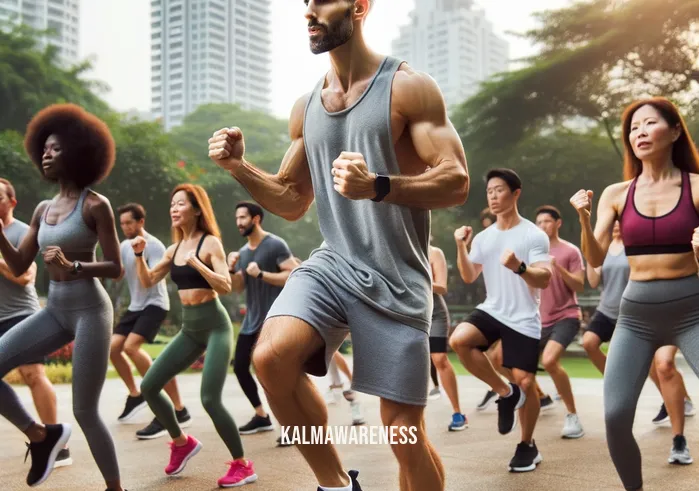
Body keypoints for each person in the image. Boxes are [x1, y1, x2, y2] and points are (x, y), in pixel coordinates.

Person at [208, 1, 469, 488]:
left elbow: (456, 181)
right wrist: (239, 168)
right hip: (333, 264)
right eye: (305, 3)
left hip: (397, 278)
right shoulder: (307, 107)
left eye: (321, 1)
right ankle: (336, 484)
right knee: (270, 359)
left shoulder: (408, 87)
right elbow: (290, 200)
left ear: (359, 6)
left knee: (402, 433)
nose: (309, 12)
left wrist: (379, 186)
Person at [570, 97, 699, 490]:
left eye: (649, 123)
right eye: (633, 127)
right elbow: (593, 257)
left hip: (693, 310)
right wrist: (584, 217)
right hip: (636, 315)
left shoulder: (696, 187)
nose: (639, 132)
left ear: (675, 131)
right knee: (615, 414)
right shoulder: (616, 193)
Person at [0, 104, 125, 490]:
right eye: (44, 149)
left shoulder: (95, 205)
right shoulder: (42, 208)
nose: (45, 154)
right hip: (55, 309)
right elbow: (20, 265)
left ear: (77, 152)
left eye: (54, 148)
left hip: (90, 309)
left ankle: (115, 488)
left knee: (85, 410)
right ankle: (42, 435)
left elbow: (115, 267)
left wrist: (75, 266)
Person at [133, 184, 256, 488]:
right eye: (172, 204)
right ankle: (181, 442)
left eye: (180, 204)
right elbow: (148, 280)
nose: (174, 209)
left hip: (215, 325)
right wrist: (139, 255)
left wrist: (198, 264)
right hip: (190, 329)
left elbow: (225, 286)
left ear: (197, 209)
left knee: (209, 399)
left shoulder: (210, 243)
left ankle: (243, 465)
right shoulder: (173, 250)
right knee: (148, 386)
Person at [450, 168, 551, 473]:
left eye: (499, 190)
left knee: (527, 380)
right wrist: (460, 246)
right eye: (489, 191)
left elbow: (544, 278)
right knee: (459, 340)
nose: (493, 196)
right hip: (493, 309)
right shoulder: (484, 237)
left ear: (515, 193)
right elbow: (469, 276)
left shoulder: (533, 234)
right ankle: (506, 393)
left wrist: (520, 268)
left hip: (523, 317)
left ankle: (527, 445)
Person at [582, 224, 694, 432]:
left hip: (637, 312)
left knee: (659, 365)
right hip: (607, 310)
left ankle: (680, 400)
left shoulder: (637, 244)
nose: (615, 225)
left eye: (619, 221)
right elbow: (594, 280)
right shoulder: (603, 247)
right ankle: (620, 383)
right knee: (589, 342)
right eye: (612, 221)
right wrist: (590, 255)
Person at [0, 178, 72, 468]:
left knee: (32, 374)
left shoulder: (22, 232)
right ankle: (40, 435)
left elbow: (25, 277)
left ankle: (57, 443)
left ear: (12, 202)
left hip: (21, 314)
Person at [112, 202, 191, 438]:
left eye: (129, 222)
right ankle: (136, 395)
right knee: (113, 349)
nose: (125, 227)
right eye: (122, 223)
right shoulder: (123, 245)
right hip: (136, 305)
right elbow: (118, 275)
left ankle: (177, 408)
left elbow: (153, 278)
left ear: (140, 222)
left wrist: (139, 255)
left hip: (155, 303)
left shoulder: (154, 245)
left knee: (130, 347)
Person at [227, 201, 296, 435]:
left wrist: (262, 274)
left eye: (243, 218)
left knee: (274, 374)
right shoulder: (244, 252)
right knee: (240, 367)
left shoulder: (275, 244)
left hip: (273, 320)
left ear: (256, 219)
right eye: (237, 218)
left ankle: (290, 426)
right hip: (251, 322)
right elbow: (237, 288)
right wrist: (230, 269)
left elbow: (292, 274)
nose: (238, 222)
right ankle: (261, 415)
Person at [534, 205, 585, 439]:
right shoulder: (533, 254)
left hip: (567, 315)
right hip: (539, 320)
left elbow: (579, 285)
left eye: (547, 221)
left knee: (549, 360)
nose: (542, 226)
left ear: (558, 223)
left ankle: (572, 415)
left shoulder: (570, 251)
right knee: (502, 359)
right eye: (539, 222)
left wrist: (559, 268)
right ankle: (541, 398)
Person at [429, 239, 467, 431]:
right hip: (408, 314)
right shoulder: (398, 251)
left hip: (434, 314)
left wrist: (419, 278)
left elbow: (442, 287)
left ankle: (457, 412)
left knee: (439, 358)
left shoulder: (434, 252)